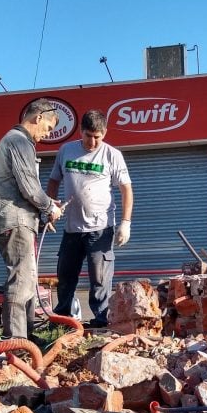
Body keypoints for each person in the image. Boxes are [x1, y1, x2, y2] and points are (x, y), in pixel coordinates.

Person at [46, 109, 133, 328]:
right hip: (71, 228)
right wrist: (49, 207)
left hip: (101, 229)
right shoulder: (66, 150)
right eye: (88, 135)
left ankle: (101, 320)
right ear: (81, 131)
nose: (93, 142)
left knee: (100, 278)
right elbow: (54, 181)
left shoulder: (112, 155)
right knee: (65, 276)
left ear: (104, 133)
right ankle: (62, 318)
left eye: (98, 136)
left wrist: (126, 222)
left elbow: (126, 189)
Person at [0, 98, 62, 341]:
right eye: (49, 128)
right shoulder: (20, 142)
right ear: (38, 117)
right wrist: (50, 206)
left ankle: (26, 336)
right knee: (21, 279)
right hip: (15, 220)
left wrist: (42, 214)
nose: (47, 134)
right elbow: (29, 187)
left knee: (28, 280)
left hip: (18, 219)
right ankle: (14, 342)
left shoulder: (12, 141)